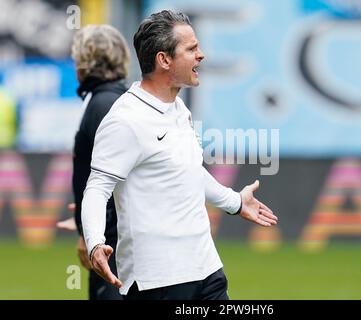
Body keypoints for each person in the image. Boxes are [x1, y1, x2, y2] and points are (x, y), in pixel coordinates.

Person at [81, 10, 278, 300]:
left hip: (207, 270)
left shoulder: (178, 108)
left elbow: (188, 170)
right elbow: (97, 188)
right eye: (191, 49)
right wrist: (95, 243)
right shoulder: (125, 120)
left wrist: (234, 201)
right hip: (158, 282)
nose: (202, 55)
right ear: (164, 60)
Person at [70, 24, 130, 300]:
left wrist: (91, 233)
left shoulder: (103, 104)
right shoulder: (111, 100)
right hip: (113, 237)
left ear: (85, 63)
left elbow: (111, 180)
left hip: (111, 243)